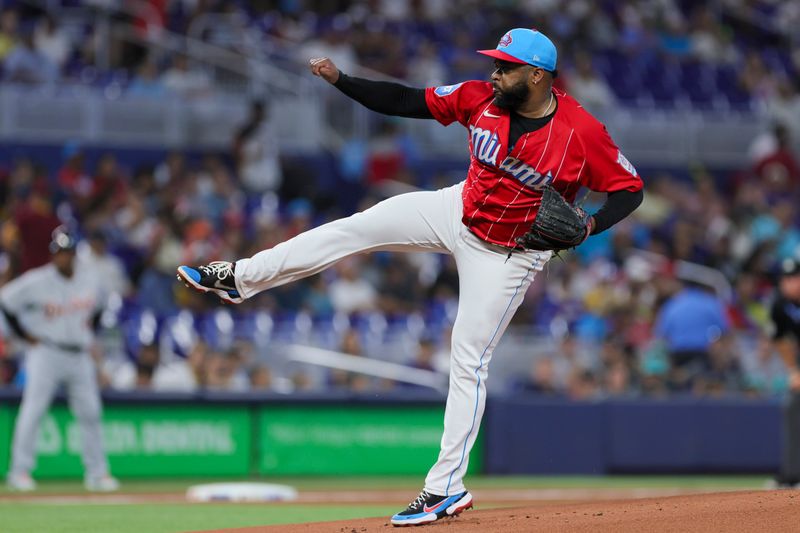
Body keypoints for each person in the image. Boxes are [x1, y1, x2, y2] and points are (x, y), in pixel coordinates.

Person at [178, 28, 643, 526]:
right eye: (496, 63)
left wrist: (591, 225)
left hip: (510, 253)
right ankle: (239, 278)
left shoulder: (580, 132)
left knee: (468, 359)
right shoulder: (478, 97)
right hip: (458, 208)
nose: (495, 72)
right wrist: (341, 80)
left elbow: (630, 189)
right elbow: (405, 100)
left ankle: (445, 488)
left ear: (537, 75)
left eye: (506, 66)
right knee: (354, 228)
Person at [2, 227, 120, 492]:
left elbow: (102, 307)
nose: (63, 257)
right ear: (53, 254)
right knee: (33, 411)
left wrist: (91, 331)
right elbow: (6, 303)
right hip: (46, 352)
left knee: (91, 413)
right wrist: (23, 335)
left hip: (79, 354)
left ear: (74, 254)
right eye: (59, 252)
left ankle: (97, 473)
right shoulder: (37, 280)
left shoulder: (91, 280)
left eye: (67, 252)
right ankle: (19, 471)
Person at [771, 258, 800, 488]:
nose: (789, 283)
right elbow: (780, 339)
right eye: (785, 279)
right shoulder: (780, 304)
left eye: (794, 278)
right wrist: (793, 370)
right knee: (792, 404)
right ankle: (792, 475)